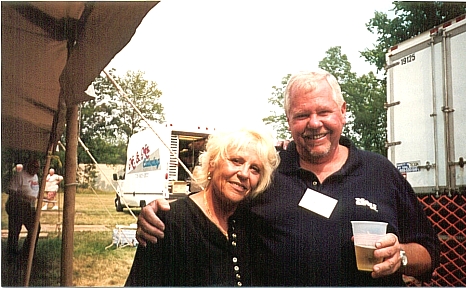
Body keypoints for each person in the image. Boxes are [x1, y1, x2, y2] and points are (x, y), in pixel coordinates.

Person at [136, 69, 441, 286]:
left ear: (343, 112)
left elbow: (429, 252)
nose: (314, 123)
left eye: (324, 111)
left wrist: (400, 256)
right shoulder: (270, 171)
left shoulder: (380, 171)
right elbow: (216, 205)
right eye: (301, 115)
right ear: (289, 121)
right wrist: (166, 213)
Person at [125, 127, 280, 286]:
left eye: (255, 169)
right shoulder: (171, 222)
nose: (244, 174)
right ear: (213, 163)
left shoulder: (250, 224)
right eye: (236, 161)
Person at [6, 158, 41, 263]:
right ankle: (11, 256)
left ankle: (26, 254)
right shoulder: (20, 176)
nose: (36, 169)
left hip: (29, 207)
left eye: (38, 167)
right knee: (14, 231)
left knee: (35, 228)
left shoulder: (35, 176)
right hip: (17, 206)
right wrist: (25, 196)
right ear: (28, 166)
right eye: (34, 167)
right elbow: (10, 190)